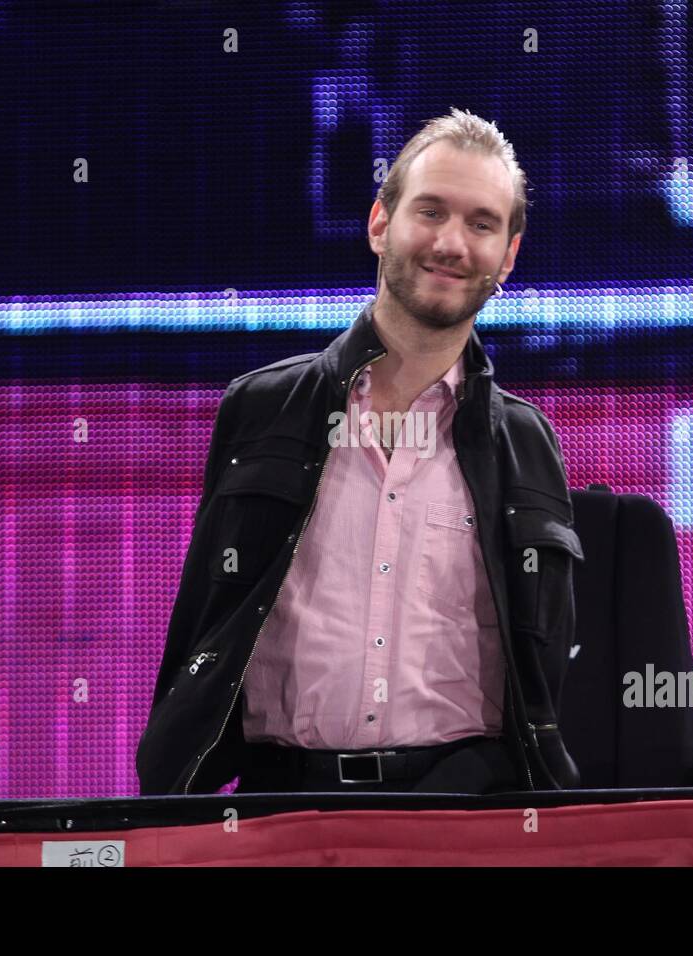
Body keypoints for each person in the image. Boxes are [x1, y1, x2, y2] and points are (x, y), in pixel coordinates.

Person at [137, 107, 584, 796]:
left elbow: (544, 668)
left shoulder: (525, 442)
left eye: (481, 223)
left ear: (509, 255)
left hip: (466, 814)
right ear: (381, 223)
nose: (452, 243)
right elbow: (206, 620)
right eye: (430, 212)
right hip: (279, 809)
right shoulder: (260, 410)